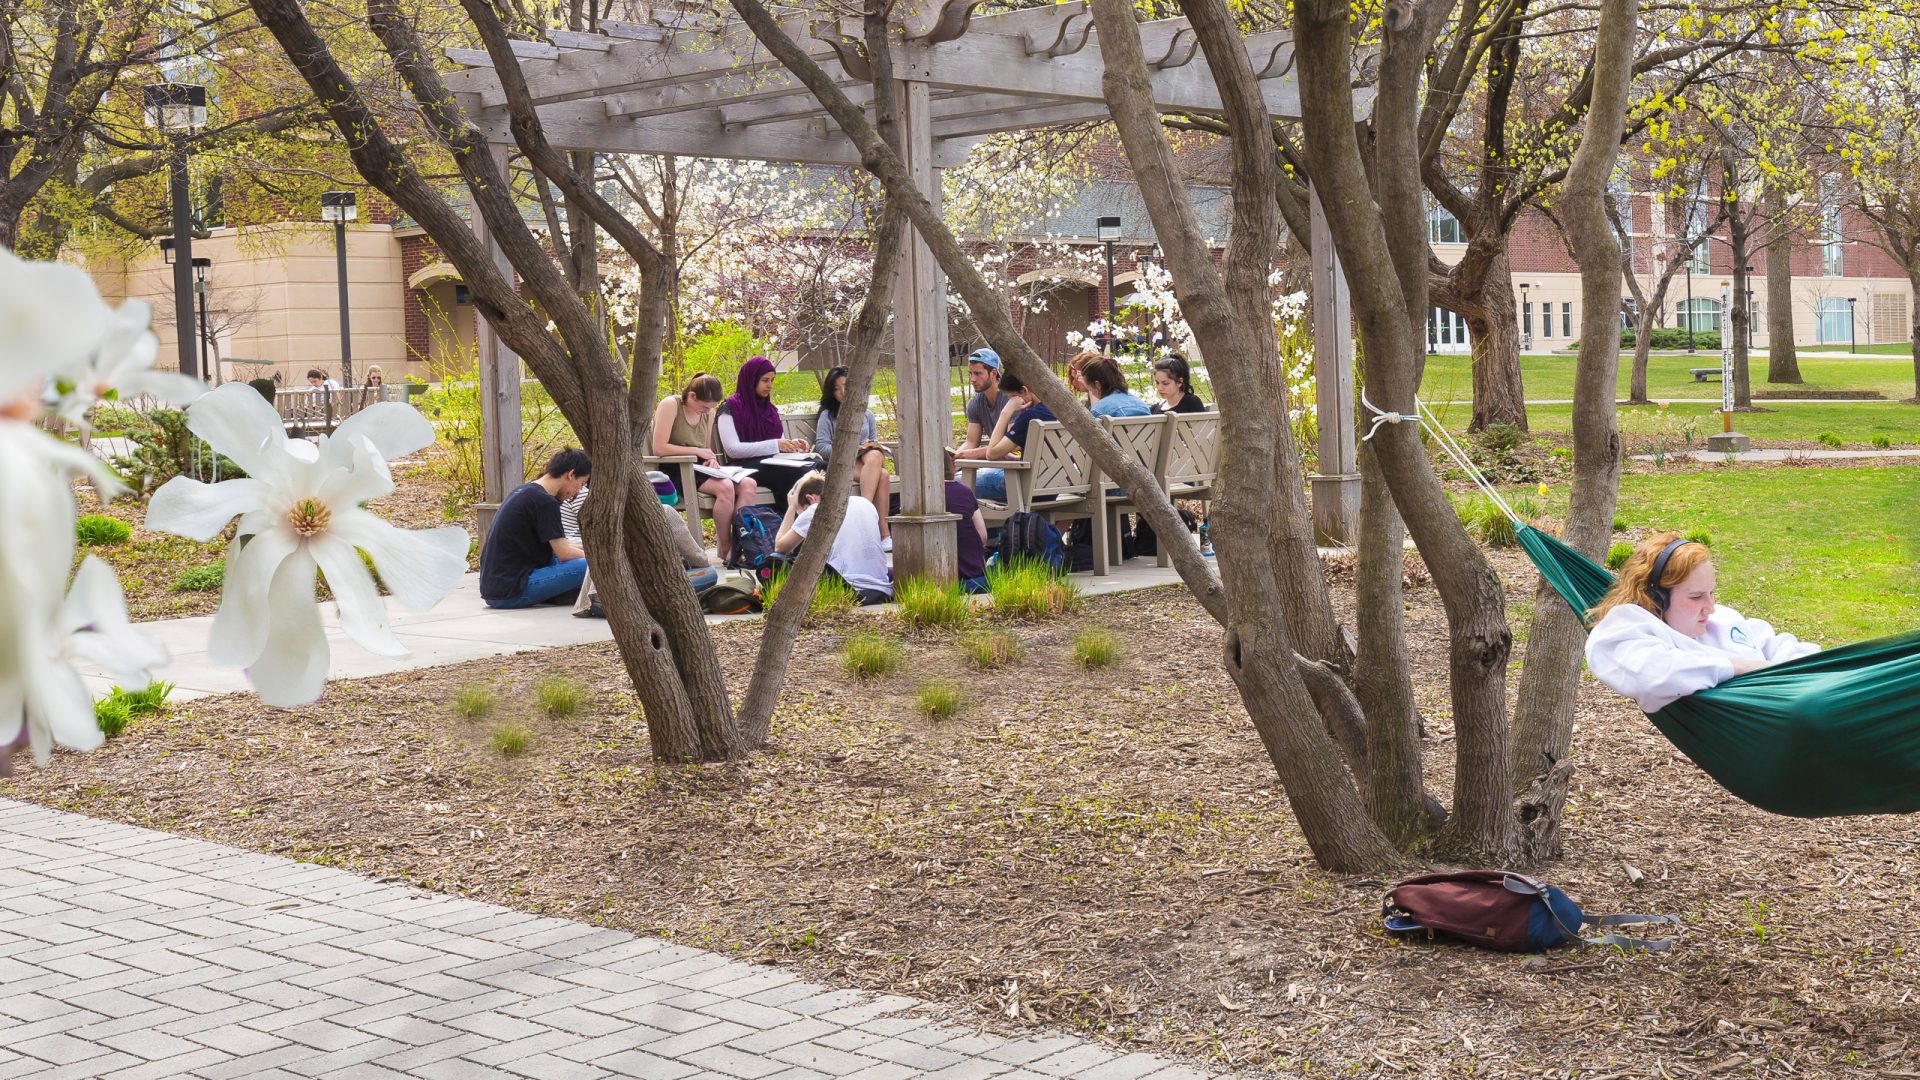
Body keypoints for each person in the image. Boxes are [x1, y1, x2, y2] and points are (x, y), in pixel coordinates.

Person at [1585, 532, 1819, 713]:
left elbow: (1781, 646)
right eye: (1696, 597)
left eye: (1711, 593)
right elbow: (1654, 676)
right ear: (1656, 597)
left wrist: (1809, 668)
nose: (1711, 607)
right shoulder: (1626, 629)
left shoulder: (1719, 619)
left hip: (1802, 702)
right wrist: (1743, 668)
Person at [653, 372, 758, 563]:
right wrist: (697, 451)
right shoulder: (671, 405)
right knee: (725, 487)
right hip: (676, 467)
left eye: (710, 408)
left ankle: (740, 544)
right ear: (692, 396)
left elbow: (705, 448)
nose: (707, 412)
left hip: (700, 467)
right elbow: (659, 447)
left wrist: (711, 460)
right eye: (704, 407)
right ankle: (725, 549)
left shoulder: (708, 413)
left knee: (749, 484)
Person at [480, 448, 591, 609]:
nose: (578, 492)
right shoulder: (545, 502)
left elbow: (559, 546)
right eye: (581, 484)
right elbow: (564, 553)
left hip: (496, 588)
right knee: (589, 566)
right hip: (514, 590)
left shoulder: (525, 491)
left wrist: (580, 546)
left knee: (577, 552)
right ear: (571, 474)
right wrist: (598, 558)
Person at [774, 471, 892, 605]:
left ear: (810, 499)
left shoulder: (816, 509)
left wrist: (791, 507)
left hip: (848, 589)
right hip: (881, 589)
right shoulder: (865, 503)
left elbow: (780, 547)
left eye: (801, 512)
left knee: (774, 562)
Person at [717, 355, 812, 514]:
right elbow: (732, 450)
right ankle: (793, 523)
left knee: (816, 466)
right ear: (751, 379)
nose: (770, 385)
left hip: (772, 462)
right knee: (793, 473)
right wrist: (775, 445)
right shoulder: (730, 407)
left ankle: (815, 520)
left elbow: (778, 442)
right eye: (765, 380)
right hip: (744, 466)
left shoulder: (770, 409)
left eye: (772, 380)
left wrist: (793, 445)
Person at [813, 365, 893, 550]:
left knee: (875, 454)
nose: (842, 392)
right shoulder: (828, 415)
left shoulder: (867, 414)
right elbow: (822, 447)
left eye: (846, 386)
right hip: (841, 464)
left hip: (865, 463)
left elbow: (874, 440)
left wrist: (869, 445)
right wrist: (849, 448)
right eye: (836, 389)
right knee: (883, 476)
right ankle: (882, 532)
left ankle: (866, 516)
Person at [952, 370, 1050, 503]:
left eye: (1012, 398)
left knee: (954, 482)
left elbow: (991, 454)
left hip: (1024, 488)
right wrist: (1015, 459)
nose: (1010, 401)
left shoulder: (1029, 417)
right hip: (1054, 486)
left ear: (1024, 390)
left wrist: (1006, 411)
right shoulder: (1057, 412)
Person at [944, 449, 990, 594]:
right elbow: (983, 537)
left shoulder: (921, 497)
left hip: (942, 582)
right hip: (976, 578)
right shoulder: (965, 492)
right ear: (953, 466)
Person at [961, 347, 1017, 452]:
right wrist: (955, 455)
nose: (972, 379)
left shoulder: (1011, 399)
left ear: (994, 373)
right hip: (997, 456)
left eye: (978, 373)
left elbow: (1013, 445)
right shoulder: (975, 403)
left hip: (1020, 457)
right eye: (970, 373)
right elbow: (971, 443)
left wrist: (973, 454)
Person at [1083, 355, 1153, 419]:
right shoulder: (1142, 406)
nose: (1092, 393)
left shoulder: (1098, 410)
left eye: (1090, 389)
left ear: (1097, 385)